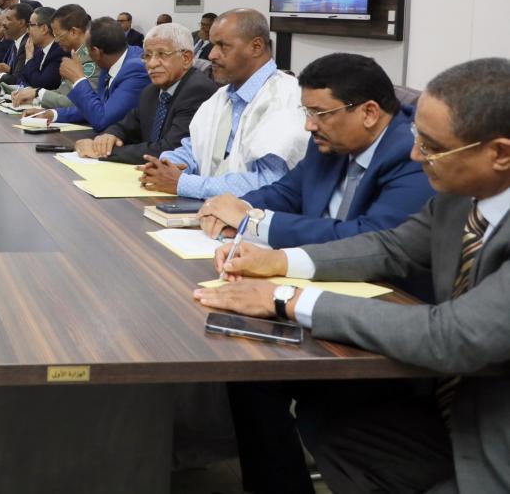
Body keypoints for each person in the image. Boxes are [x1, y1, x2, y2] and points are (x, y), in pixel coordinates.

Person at [194, 57, 510, 494]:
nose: (416, 155)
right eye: (418, 139)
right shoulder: (460, 197)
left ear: (500, 154)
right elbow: (391, 247)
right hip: (445, 401)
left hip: (494, 433)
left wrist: (287, 299)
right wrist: (279, 262)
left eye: (433, 147)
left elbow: (452, 335)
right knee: (324, 420)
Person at [197, 53, 435, 248]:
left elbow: (369, 238)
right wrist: (233, 209)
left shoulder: (415, 155)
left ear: (369, 113)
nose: (309, 126)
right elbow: (287, 193)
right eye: (307, 113)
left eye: (320, 114)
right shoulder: (329, 142)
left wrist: (254, 223)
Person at [140, 8, 307, 198]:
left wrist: (183, 183)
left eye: (222, 46)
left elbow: (270, 182)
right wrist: (165, 165)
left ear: (256, 47)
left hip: (252, 214)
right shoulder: (222, 97)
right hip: (210, 208)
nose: (212, 55)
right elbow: (193, 149)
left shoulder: (285, 98)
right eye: (212, 45)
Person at [76, 23, 216, 163]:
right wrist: (109, 136)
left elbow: (170, 150)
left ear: (186, 58)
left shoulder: (197, 90)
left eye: (162, 54)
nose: (152, 64)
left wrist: (104, 152)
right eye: (147, 56)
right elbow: (126, 126)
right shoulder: (150, 91)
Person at [24, 17, 150, 132]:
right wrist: (53, 114)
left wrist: (78, 79)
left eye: (87, 49)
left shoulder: (136, 70)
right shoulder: (109, 62)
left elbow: (102, 120)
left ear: (96, 51)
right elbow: (97, 106)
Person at [11, 3, 97, 110]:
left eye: (58, 35)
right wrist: (34, 98)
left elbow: (82, 102)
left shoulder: (91, 57)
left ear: (73, 32)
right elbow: (62, 91)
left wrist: (38, 93)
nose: (55, 40)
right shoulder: (75, 53)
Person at [18, 6, 68, 90]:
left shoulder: (60, 52)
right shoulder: (38, 50)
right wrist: (27, 89)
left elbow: (43, 84)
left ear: (44, 29)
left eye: (30, 25)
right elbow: (21, 78)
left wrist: (29, 59)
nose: (27, 30)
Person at [0, 2, 32, 83]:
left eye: (8, 19)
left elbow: (15, 80)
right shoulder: (15, 42)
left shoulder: (27, 44)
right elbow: (8, 71)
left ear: (21, 23)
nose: (3, 23)